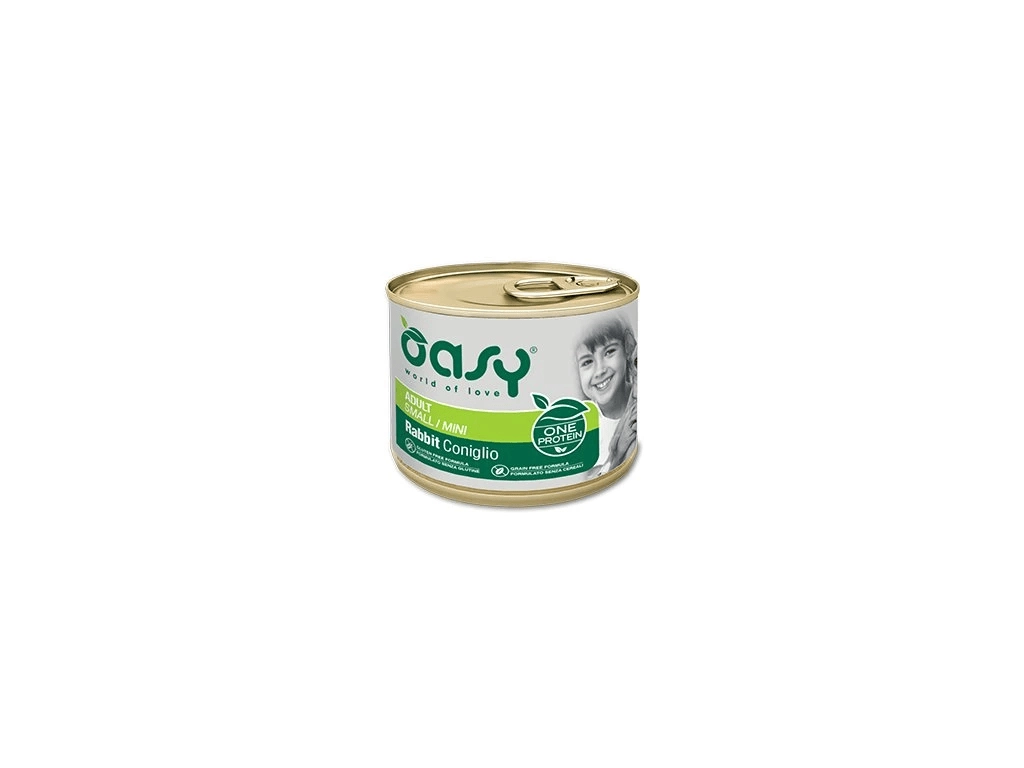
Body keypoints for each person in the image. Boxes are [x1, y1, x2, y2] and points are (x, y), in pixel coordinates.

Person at [575, 318, 637, 476]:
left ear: (627, 350)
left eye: (609, 352)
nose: (600, 370)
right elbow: (587, 477)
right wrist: (617, 452)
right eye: (587, 362)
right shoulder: (581, 425)